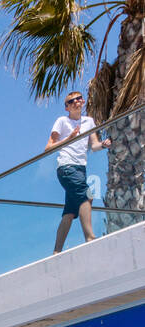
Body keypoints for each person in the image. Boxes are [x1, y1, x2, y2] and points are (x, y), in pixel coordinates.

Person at [47, 91, 111, 253]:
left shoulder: (89, 122)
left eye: (79, 98)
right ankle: (89, 237)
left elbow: (94, 145)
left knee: (70, 211)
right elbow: (48, 148)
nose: (77, 101)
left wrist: (103, 144)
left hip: (80, 169)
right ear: (67, 107)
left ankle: (56, 251)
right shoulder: (62, 121)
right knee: (87, 195)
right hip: (66, 167)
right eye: (72, 100)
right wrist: (69, 138)